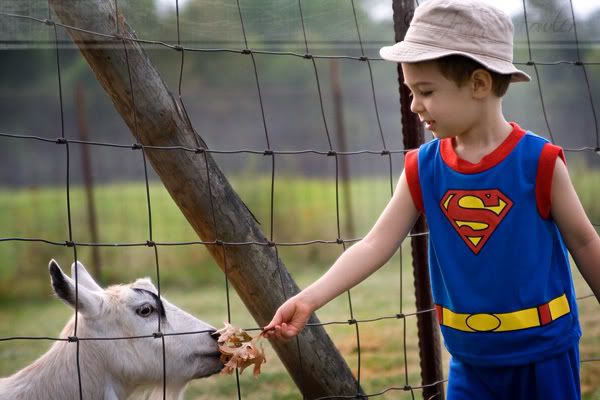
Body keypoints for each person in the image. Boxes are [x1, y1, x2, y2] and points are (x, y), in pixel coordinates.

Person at [264, 0, 600, 399]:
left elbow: (584, 241)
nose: (414, 105)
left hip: (544, 358)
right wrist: (308, 299)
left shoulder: (539, 163)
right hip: (470, 363)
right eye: (410, 91)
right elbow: (375, 244)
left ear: (479, 84)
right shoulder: (423, 169)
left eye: (425, 91)